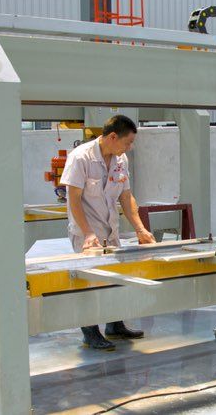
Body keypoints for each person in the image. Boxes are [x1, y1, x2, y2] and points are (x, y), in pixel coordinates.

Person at [59, 114, 156, 350]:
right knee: (89, 282)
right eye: (128, 142)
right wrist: (88, 233)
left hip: (111, 230)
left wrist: (140, 229)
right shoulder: (80, 157)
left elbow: (126, 196)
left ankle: (115, 325)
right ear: (113, 137)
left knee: (115, 277)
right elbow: (73, 199)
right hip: (86, 232)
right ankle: (90, 331)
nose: (129, 147)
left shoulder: (121, 159)